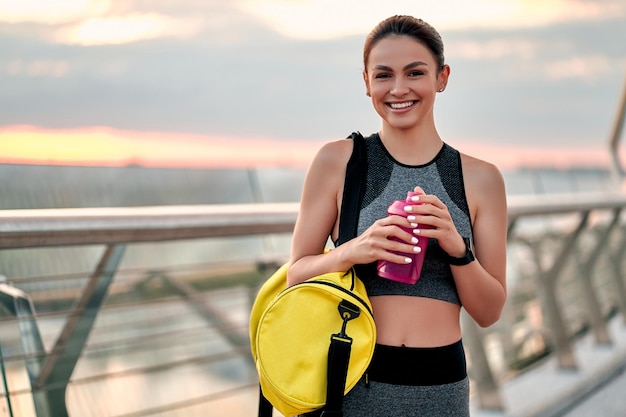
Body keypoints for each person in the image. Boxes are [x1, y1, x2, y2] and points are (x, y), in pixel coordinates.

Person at [287, 15, 507, 417]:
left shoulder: (481, 178)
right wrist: (353, 250)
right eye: (384, 75)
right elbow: (296, 274)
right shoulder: (338, 161)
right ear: (367, 82)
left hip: (441, 385)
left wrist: (457, 248)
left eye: (415, 73)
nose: (399, 88)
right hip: (351, 377)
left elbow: (490, 312)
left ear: (442, 77)